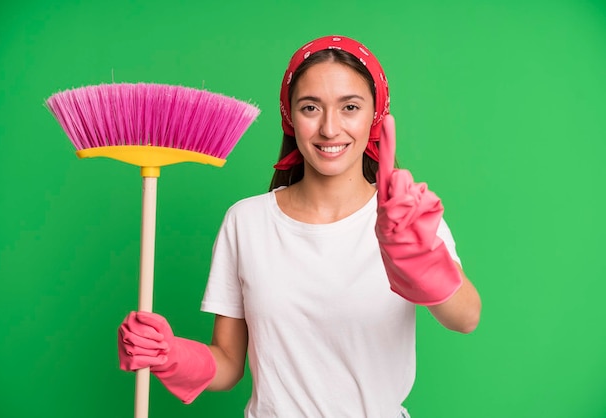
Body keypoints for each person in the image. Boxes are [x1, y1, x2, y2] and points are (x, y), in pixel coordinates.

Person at [118, 35, 482, 418]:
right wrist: (170, 354)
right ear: (289, 116)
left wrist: (423, 263)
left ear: (376, 115)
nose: (329, 128)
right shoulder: (246, 222)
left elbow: (466, 317)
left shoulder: (404, 217)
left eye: (350, 107)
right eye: (311, 107)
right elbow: (227, 363)